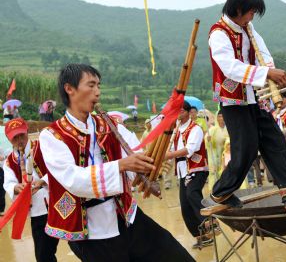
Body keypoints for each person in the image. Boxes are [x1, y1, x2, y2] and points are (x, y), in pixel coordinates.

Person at [39, 64, 193, 262]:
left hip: (127, 215)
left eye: (99, 86)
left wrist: (152, 157)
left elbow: (135, 151)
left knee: (177, 256)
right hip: (91, 232)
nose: (98, 92)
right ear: (70, 89)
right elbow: (73, 179)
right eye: (91, 85)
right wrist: (122, 165)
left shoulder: (108, 123)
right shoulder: (52, 136)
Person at [208, 0, 286, 208]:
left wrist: (273, 77)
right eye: (251, 12)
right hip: (234, 101)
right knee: (247, 148)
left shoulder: (249, 29)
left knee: (274, 138)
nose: (252, 17)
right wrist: (266, 73)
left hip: (256, 96)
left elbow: (263, 54)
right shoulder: (218, 33)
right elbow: (229, 67)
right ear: (240, 8)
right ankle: (221, 192)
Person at [3, 118, 59, 262]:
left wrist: (43, 181)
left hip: (58, 204)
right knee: (43, 255)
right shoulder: (9, 161)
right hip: (38, 212)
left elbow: (59, 168)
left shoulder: (43, 147)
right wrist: (16, 187)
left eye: (22, 135)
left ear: (27, 132)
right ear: (9, 140)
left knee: (78, 245)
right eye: (15, 137)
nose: (20, 140)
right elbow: (8, 183)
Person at [165, 101, 212, 249]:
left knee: (192, 194)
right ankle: (201, 236)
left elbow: (190, 149)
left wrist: (169, 154)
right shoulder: (176, 130)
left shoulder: (196, 128)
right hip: (182, 170)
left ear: (187, 112)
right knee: (185, 207)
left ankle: (211, 221)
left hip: (196, 169)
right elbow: (172, 148)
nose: (178, 114)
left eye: (181, 111)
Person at [206, 110, 228, 191]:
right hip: (215, 156)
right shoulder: (213, 129)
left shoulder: (229, 128)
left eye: (223, 116)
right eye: (219, 116)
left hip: (226, 155)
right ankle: (214, 190)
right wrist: (208, 140)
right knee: (214, 173)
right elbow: (208, 143)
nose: (221, 118)